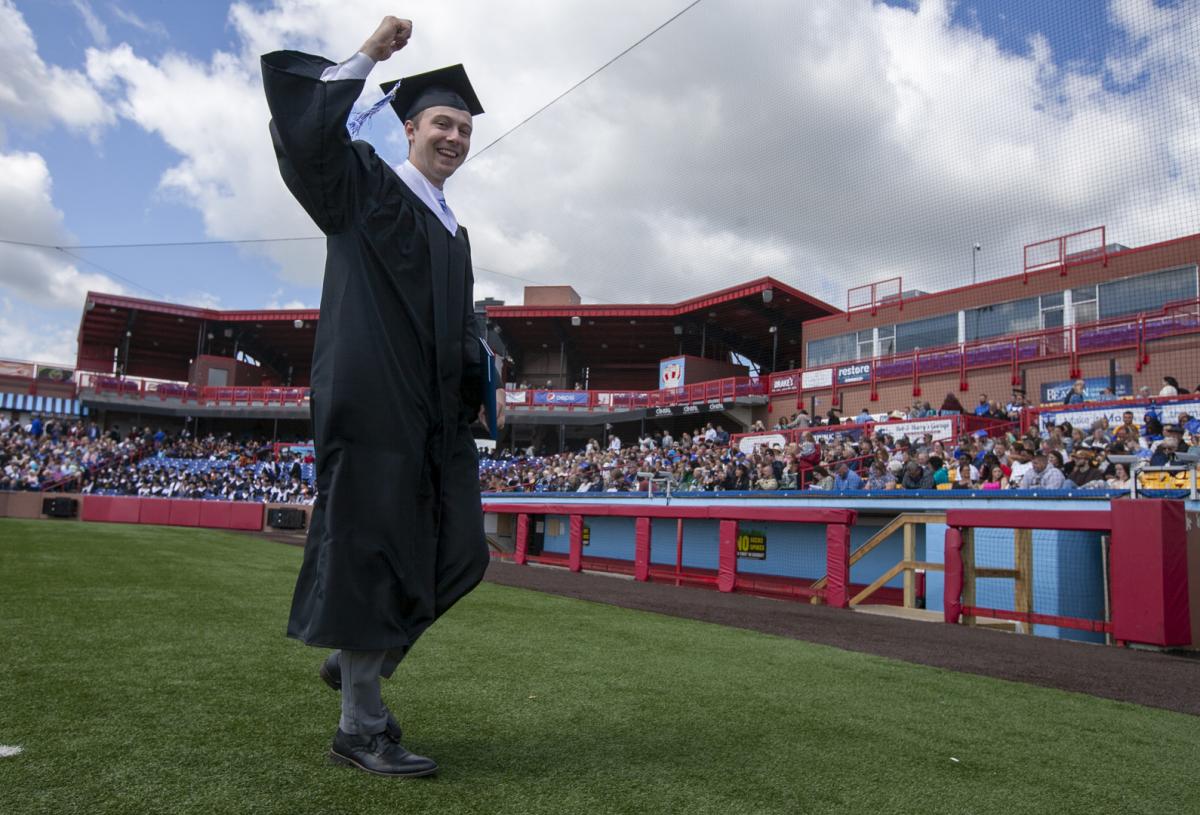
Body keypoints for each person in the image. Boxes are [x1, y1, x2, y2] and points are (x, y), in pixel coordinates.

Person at [262, 16, 503, 777]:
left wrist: (482, 372)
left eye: (464, 127)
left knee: (461, 549)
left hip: (432, 424)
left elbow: (458, 334)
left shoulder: (453, 232)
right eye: (443, 122)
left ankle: (356, 658)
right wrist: (370, 53)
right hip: (372, 410)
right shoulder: (365, 185)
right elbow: (308, 140)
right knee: (374, 557)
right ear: (409, 128)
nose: (456, 136)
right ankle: (360, 726)